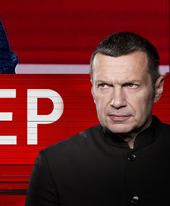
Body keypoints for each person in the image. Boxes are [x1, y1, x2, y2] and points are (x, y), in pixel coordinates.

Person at [25, 32, 168, 206]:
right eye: (104, 85)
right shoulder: (54, 163)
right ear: (93, 90)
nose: (117, 102)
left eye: (131, 85)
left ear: (157, 89)